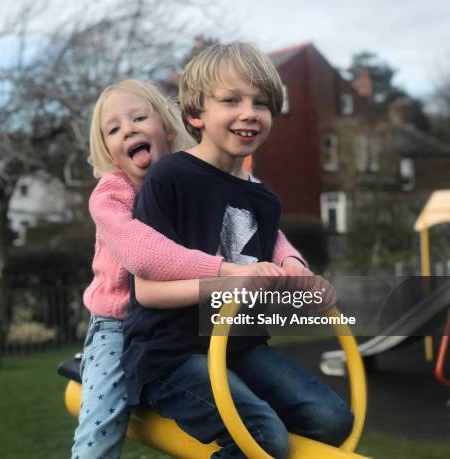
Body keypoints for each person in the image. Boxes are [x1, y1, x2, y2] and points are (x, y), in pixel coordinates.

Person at [122, 44, 354, 459]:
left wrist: (301, 286)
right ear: (196, 115)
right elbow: (147, 292)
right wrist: (229, 283)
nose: (249, 112)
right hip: (169, 354)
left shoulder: (264, 200)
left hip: (239, 347)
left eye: (261, 103)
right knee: (264, 436)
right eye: (231, 100)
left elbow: (260, 285)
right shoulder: (171, 177)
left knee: (331, 421)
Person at [72, 79, 306, 459]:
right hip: (117, 325)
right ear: (110, 152)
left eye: (138, 117)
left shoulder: (191, 178)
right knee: (102, 422)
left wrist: (289, 260)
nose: (127, 129)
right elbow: (142, 253)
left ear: (166, 127)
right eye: (113, 129)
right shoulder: (112, 194)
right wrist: (226, 271)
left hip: (177, 322)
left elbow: (259, 220)